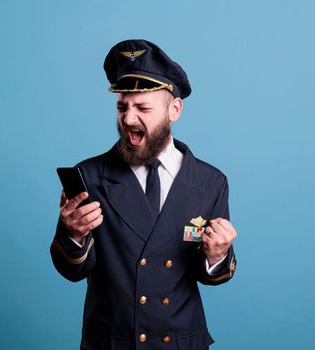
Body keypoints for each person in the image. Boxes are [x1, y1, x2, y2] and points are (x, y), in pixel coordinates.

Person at [50, 39, 238, 350]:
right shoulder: (90, 176)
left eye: (142, 108)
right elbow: (72, 270)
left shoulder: (210, 181)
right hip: (112, 343)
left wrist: (217, 254)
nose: (127, 119)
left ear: (174, 110)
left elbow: (212, 276)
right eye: (122, 106)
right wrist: (72, 234)